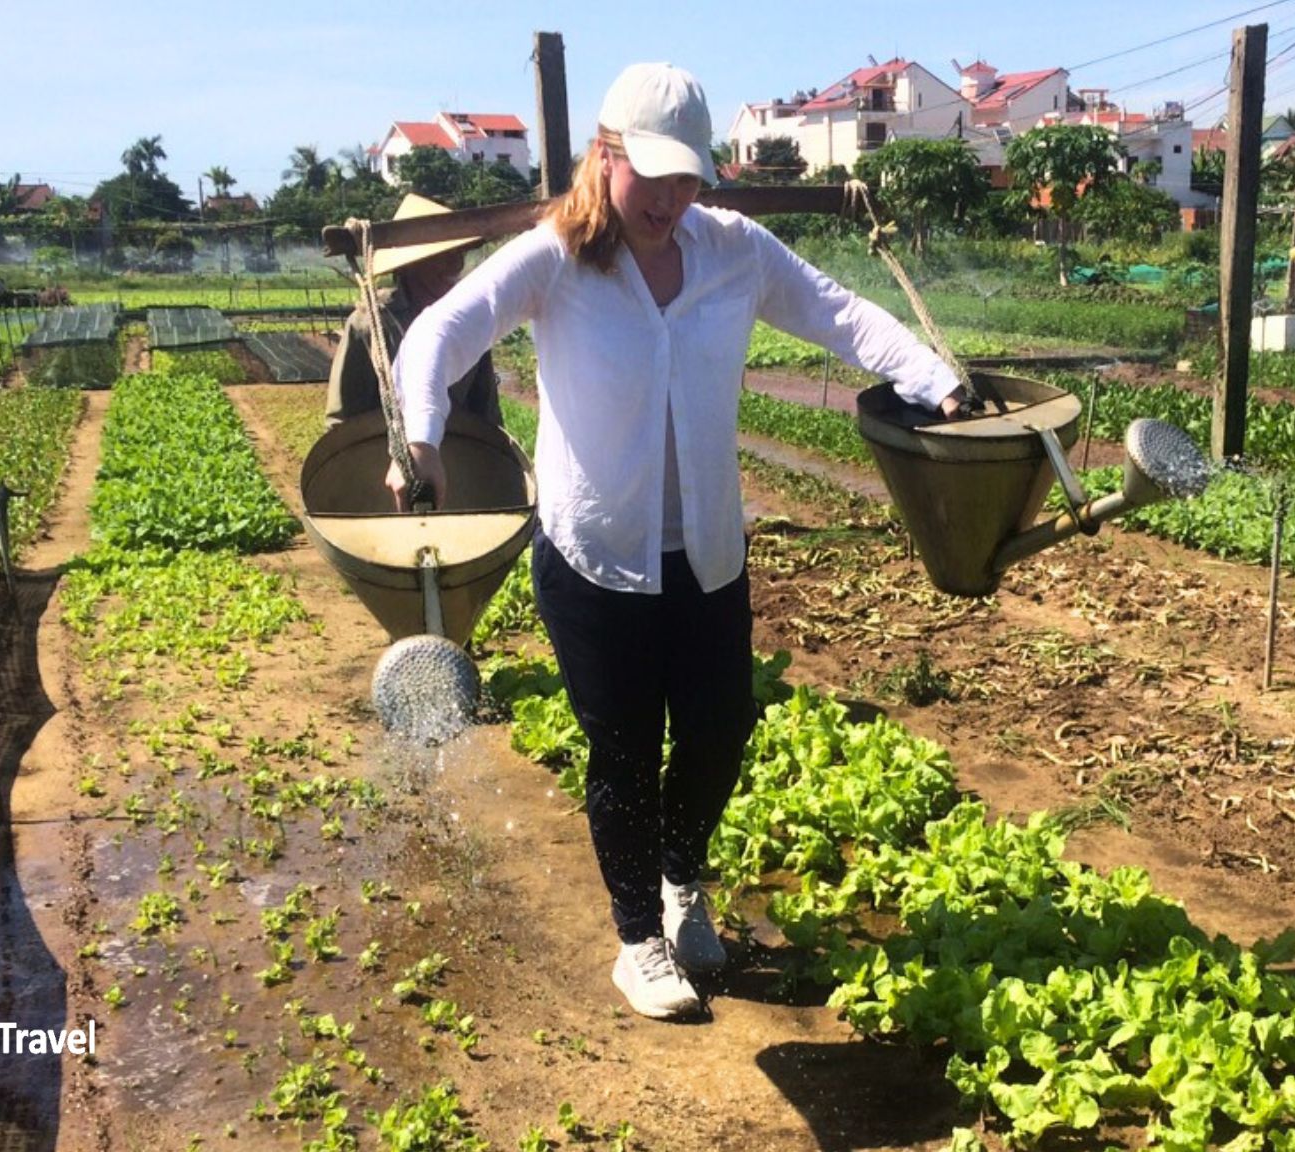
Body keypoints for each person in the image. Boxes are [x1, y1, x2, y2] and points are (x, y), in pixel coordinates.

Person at [390, 62, 963, 1019]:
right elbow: (442, 333)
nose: (668, 198)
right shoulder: (555, 260)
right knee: (622, 749)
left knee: (717, 731)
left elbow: (840, 312)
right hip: (592, 557)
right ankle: (637, 942)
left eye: (686, 177)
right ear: (604, 157)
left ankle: (680, 879)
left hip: (704, 550)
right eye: (649, 174)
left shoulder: (735, 250)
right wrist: (422, 439)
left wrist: (932, 379)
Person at [326, 194, 502, 431]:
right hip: (384, 456)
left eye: (459, 254)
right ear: (413, 264)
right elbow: (343, 422)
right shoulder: (371, 324)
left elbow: (487, 418)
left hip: (459, 458)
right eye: (444, 255)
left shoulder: (470, 323)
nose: (456, 266)